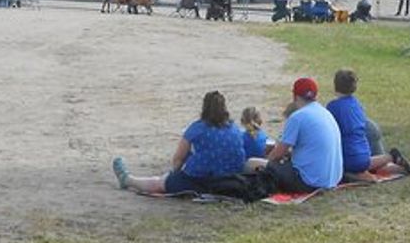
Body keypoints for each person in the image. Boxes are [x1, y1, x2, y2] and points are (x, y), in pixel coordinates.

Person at [112, 91, 247, 195]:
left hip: (202, 180)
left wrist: (173, 175)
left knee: (160, 183)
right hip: (232, 178)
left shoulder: (197, 128)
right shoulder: (234, 128)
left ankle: (128, 180)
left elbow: (178, 159)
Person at [326, 69, 410, 179]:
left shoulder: (333, 106)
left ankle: (391, 157)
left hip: (354, 158)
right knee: (377, 167)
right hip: (365, 150)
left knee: (356, 168)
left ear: (335, 85)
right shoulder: (357, 104)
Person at [253, 77, 344, 193]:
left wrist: (266, 161)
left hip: (309, 182)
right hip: (333, 179)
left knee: (260, 165)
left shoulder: (298, 117)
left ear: (295, 96)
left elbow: (279, 153)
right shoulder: (325, 113)